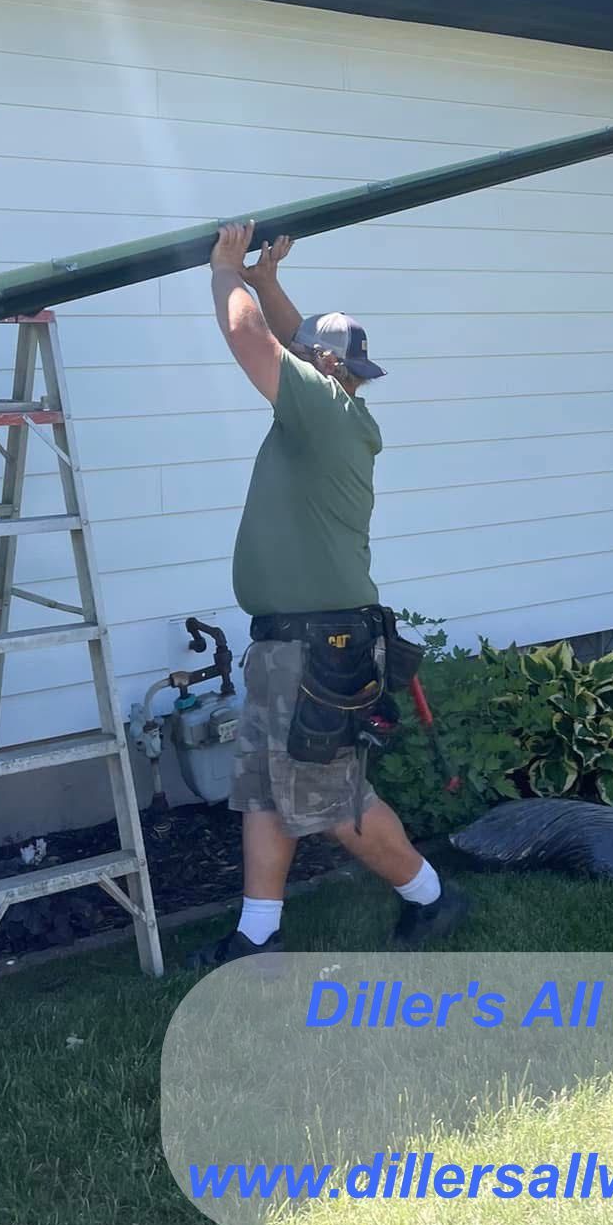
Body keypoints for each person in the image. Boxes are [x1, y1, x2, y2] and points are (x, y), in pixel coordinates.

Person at [191, 222, 470, 966]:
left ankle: (433, 898)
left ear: (320, 364)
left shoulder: (319, 407)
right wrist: (268, 278)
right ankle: (259, 937)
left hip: (317, 647)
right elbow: (288, 333)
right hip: (290, 639)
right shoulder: (335, 403)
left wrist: (227, 273)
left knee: (331, 802)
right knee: (264, 791)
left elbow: (254, 341)